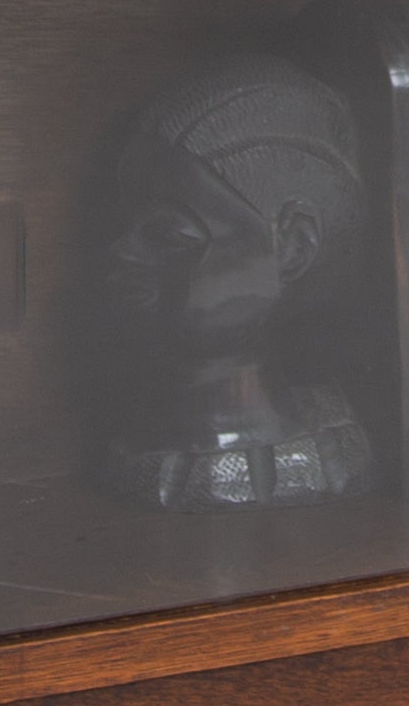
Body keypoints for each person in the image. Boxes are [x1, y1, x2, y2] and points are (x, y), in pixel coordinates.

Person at [100, 50, 375, 508]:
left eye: (169, 234)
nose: (122, 250)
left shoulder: (331, 453)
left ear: (293, 248)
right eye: (124, 222)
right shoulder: (133, 439)